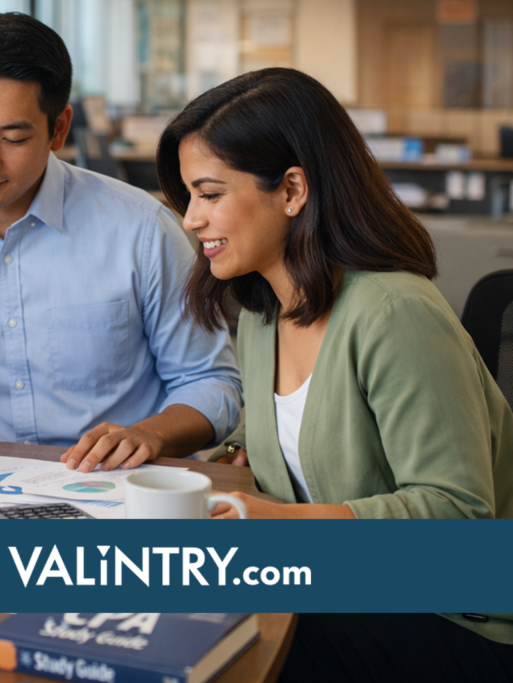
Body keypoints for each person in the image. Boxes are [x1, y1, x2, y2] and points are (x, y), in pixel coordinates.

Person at [157, 67, 513, 678]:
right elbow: (281, 434)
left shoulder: (394, 313)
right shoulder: (263, 313)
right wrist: (228, 462)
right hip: (351, 585)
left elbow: (455, 513)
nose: (191, 218)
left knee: (229, 643)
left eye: (209, 194)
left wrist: (279, 524)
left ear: (293, 190)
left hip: (458, 615)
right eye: (189, 197)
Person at [0, 13, 241, 471]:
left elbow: (210, 382)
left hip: (121, 487)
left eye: (13, 137)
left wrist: (149, 434)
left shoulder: (141, 229)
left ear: (59, 128)